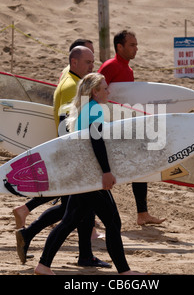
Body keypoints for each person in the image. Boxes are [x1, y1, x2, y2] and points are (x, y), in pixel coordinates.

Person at [34, 73, 144, 275]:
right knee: (112, 222)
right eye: (104, 88)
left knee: (69, 221)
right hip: (91, 175)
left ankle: (43, 266)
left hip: (81, 172)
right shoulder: (94, 109)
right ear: (94, 91)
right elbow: (97, 141)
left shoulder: (83, 108)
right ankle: (125, 272)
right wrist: (106, 172)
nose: (108, 91)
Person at [15, 46, 110, 269]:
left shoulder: (69, 80)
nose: (91, 67)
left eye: (93, 62)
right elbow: (68, 127)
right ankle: (36, 246)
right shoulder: (71, 86)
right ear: (73, 62)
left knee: (76, 211)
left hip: (72, 158)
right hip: (75, 159)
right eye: (88, 62)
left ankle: (82, 255)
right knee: (72, 214)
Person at [98, 30, 166, 226]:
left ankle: (142, 214)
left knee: (139, 164)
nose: (136, 48)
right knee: (103, 169)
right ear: (119, 47)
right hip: (111, 126)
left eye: (136, 44)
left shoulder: (127, 69)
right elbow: (96, 91)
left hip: (125, 123)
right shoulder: (110, 66)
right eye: (132, 45)